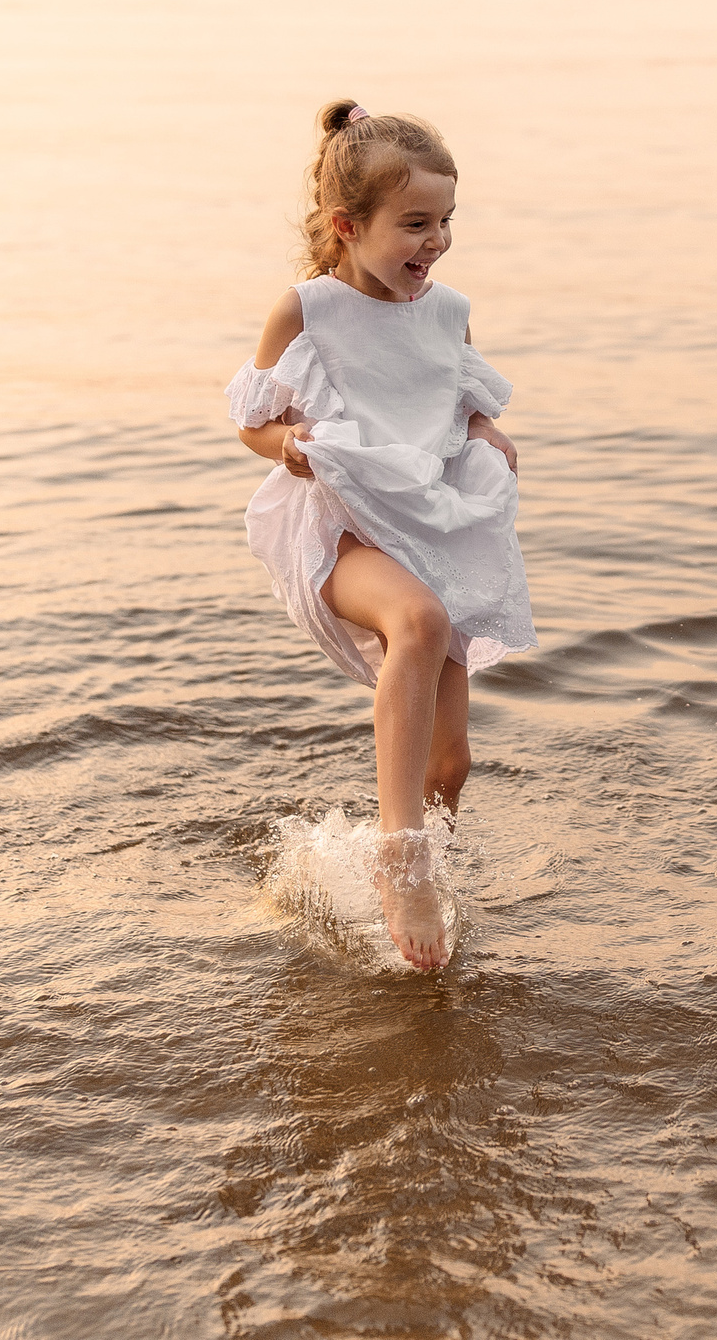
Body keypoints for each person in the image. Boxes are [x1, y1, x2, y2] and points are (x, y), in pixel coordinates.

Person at [226, 100, 535, 968]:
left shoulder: (448, 314)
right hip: (334, 530)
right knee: (420, 622)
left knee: (451, 768)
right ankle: (404, 871)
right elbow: (251, 420)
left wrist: (485, 434)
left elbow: (453, 409)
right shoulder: (308, 312)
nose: (432, 243)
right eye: (413, 225)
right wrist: (281, 444)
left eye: (444, 223)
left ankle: (425, 866)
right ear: (347, 226)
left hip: (422, 525)